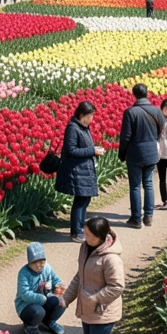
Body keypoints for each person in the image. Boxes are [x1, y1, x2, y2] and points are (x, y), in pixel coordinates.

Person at [118, 83, 164, 228]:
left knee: (135, 186)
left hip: (135, 153)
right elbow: (161, 128)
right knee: (149, 183)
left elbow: (126, 136)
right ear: (147, 93)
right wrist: (152, 140)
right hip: (151, 152)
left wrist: (122, 153)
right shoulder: (156, 111)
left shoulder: (130, 112)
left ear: (134, 94)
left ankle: (136, 219)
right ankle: (148, 216)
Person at [56, 101, 103, 243]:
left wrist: (94, 149)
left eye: (92, 115)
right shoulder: (72, 128)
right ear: (81, 114)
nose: (91, 119)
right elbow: (71, 150)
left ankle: (81, 227)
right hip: (76, 170)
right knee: (80, 200)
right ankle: (76, 231)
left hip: (85, 169)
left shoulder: (84, 127)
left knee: (85, 198)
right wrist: (92, 150)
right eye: (89, 116)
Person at [16, 242, 66, 334]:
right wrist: (41, 298)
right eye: (35, 263)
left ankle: (49, 321)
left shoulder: (47, 268)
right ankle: (30, 326)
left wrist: (59, 285)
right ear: (29, 262)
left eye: (42, 263)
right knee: (38, 312)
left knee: (62, 302)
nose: (39, 266)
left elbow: (56, 279)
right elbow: (25, 294)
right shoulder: (23, 273)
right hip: (27, 305)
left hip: (45, 299)